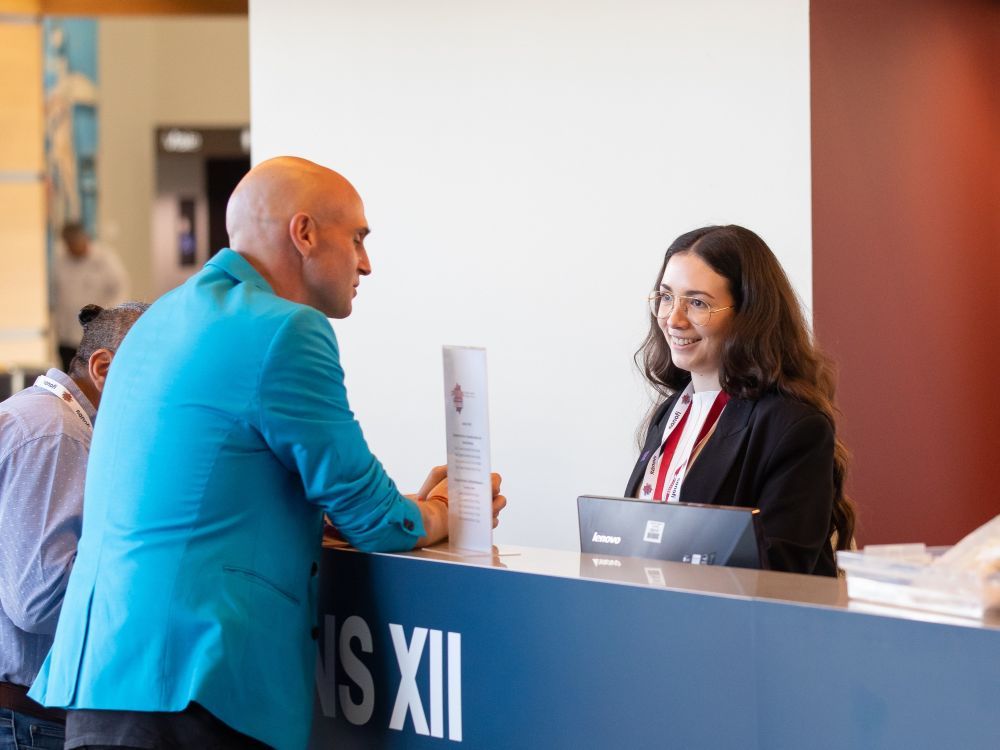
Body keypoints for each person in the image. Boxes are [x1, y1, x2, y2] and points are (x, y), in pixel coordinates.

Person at [30, 156, 506, 750]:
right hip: (197, 688)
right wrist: (447, 511)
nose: (366, 263)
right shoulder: (286, 330)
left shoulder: (155, 322)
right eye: (357, 238)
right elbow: (373, 519)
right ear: (303, 233)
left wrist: (402, 504)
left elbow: (215, 490)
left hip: (101, 682)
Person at [624, 225, 855, 576]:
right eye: (667, 296)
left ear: (748, 316)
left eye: (698, 303)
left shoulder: (793, 426)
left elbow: (781, 574)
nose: (674, 319)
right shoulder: (670, 415)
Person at [0, 302, 148, 750]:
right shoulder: (56, 431)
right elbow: (39, 601)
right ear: (103, 368)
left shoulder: (38, 417)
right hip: (27, 720)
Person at [53, 222, 130, 372]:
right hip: (68, 336)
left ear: (84, 239)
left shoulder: (105, 259)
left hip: (97, 333)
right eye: (68, 244)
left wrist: (106, 317)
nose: (72, 247)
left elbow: (120, 289)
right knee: (71, 377)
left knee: (95, 377)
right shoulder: (60, 261)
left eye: (74, 243)